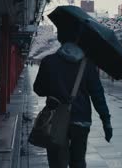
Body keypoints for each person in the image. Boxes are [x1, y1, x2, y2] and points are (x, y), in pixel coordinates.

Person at [33, 25, 112, 168]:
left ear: (60, 39)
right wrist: (106, 121)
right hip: (81, 120)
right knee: (78, 161)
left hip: (55, 119)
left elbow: (38, 89)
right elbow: (97, 95)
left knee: (56, 162)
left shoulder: (48, 61)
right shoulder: (87, 65)